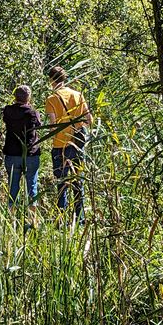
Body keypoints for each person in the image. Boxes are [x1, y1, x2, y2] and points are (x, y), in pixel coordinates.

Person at [45, 65, 92, 223]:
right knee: (78, 182)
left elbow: (52, 126)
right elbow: (89, 120)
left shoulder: (51, 99)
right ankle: (80, 218)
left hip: (60, 145)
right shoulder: (78, 95)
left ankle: (61, 220)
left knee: (62, 184)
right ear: (64, 78)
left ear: (51, 80)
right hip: (77, 145)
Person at [3, 85, 41, 220]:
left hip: (12, 154)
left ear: (15, 97)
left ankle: (12, 219)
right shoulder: (32, 112)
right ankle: (32, 220)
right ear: (28, 98)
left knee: (13, 186)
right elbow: (38, 125)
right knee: (32, 186)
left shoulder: (7, 111)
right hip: (30, 153)